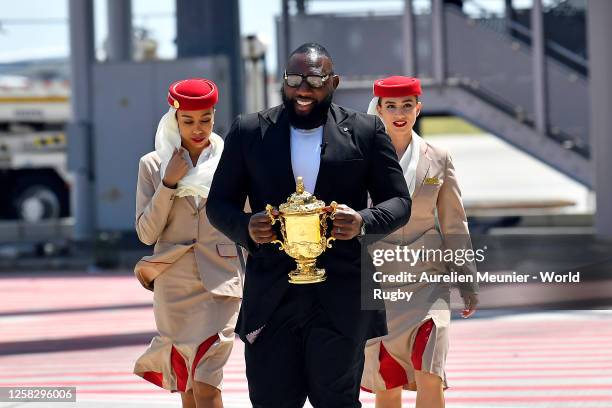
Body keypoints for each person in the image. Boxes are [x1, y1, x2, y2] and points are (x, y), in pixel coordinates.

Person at [206, 43, 411, 408]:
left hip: (342, 296)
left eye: (315, 80)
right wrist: (245, 227)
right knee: (272, 401)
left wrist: (363, 221)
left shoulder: (365, 130)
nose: (303, 89)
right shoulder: (249, 131)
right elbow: (218, 204)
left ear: (333, 82)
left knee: (336, 401)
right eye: (294, 79)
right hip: (271, 297)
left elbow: (398, 201)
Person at [360, 76, 479, 408]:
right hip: (379, 281)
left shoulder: (439, 157)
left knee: (430, 371)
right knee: (387, 379)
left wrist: (467, 279)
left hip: (429, 280)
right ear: (379, 109)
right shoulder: (360, 159)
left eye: (407, 105)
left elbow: (455, 221)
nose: (400, 113)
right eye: (392, 106)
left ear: (418, 109)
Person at [133, 78, 243, 408]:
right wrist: (169, 182)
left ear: (214, 116)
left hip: (221, 283)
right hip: (173, 286)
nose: (198, 129)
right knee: (189, 386)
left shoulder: (231, 162)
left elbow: (248, 222)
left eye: (206, 119)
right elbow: (146, 233)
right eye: (189, 121)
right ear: (174, 119)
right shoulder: (152, 165)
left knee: (207, 382)